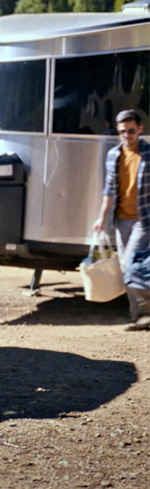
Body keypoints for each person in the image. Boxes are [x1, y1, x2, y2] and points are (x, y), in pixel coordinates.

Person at [93, 109, 150, 330]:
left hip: (143, 220)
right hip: (121, 220)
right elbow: (109, 190)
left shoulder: (147, 153)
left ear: (140, 129)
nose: (127, 135)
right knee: (130, 265)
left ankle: (143, 314)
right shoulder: (113, 155)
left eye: (131, 131)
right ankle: (138, 314)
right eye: (123, 131)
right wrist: (101, 217)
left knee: (131, 264)